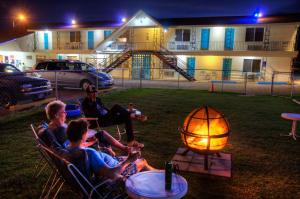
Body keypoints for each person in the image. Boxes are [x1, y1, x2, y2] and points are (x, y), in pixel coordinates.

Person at [66, 119, 155, 182]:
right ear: (82, 135)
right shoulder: (89, 153)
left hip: (113, 163)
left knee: (143, 163)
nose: (88, 133)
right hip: (116, 173)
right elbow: (112, 174)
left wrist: (104, 153)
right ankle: (161, 176)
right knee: (142, 161)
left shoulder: (68, 149)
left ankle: (160, 174)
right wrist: (129, 160)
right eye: (87, 132)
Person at [38, 100, 129, 156]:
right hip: (84, 151)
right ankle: (112, 155)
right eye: (64, 112)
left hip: (82, 143)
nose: (66, 114)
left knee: (102, 134)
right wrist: (92, 141)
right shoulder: (60, 131)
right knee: (101, 137)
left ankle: (123, 148)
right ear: (57, 115)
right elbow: (75, 147)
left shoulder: (55, 125)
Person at [81, 85, 145, 147]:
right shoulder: (85, 103)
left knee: (127, 117)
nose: (95, 94)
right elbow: (93, 114)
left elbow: (104, 108)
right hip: (101, 120)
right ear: (88, 94)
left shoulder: (97, 99)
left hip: (108, 117)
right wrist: (94, 102)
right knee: (116, 107)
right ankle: (133, 115)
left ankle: (131, 142)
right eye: (92, 93)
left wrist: (113, 113)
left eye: (95, 92)